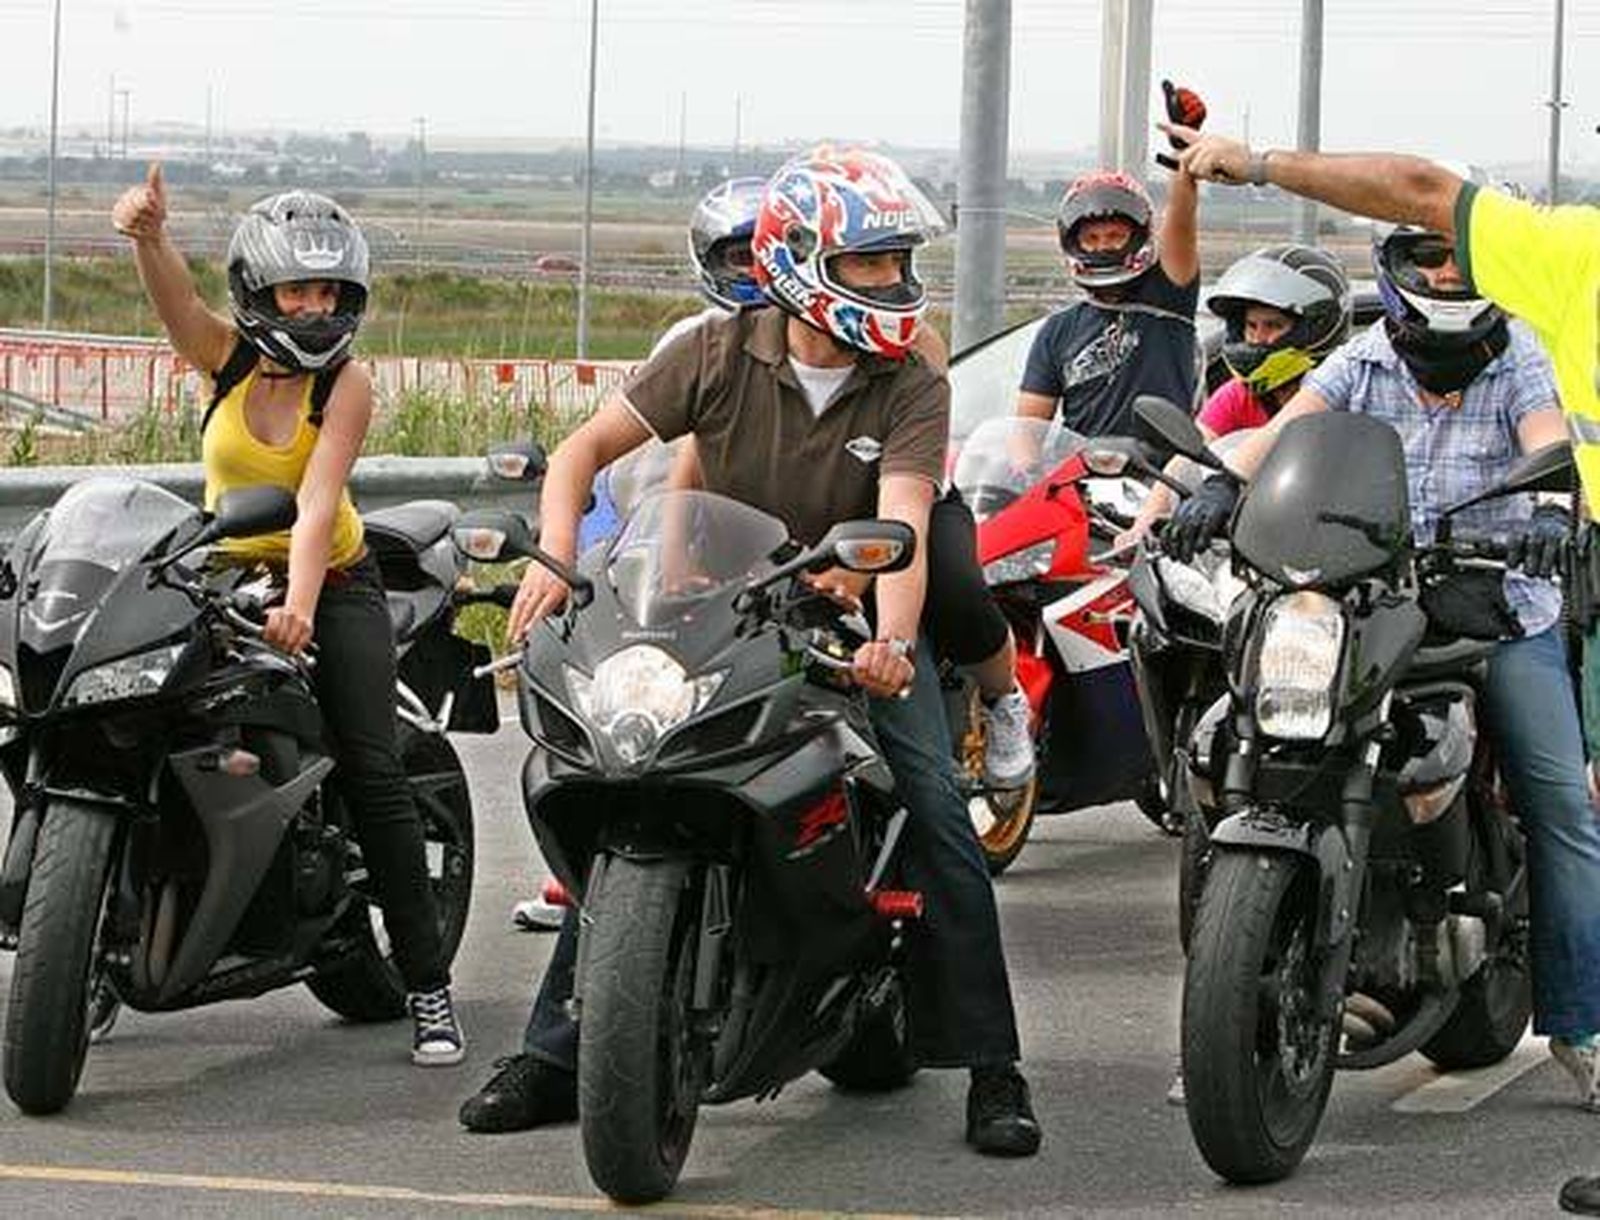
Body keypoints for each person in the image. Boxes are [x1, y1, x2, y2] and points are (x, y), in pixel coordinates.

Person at [459, 146, 1041, 1158]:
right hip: (738, 591)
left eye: (899, 259)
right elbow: (583, 452)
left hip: (851, 593)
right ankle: (557, 1052)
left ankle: (993, 1064)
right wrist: (558, 559)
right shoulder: (714, 351)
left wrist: (892, 642)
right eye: (870, 262)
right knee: (633, 786)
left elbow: (904, 520)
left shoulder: (908, 376)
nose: (893, 280)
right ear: (802, 262)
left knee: (935, 806)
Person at [1162, 216, 1600, 1135]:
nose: (1444, 272)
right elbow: (1283, 434)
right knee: (1230, 746)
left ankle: (1582, 1025)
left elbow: (1547, 436)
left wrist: (1550, 510)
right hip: (1368, 598)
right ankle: (1220, 1024)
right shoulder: (1363, 360)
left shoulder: (1520, 358)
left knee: (1562, 806)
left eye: (1458, 256)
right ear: (1399, 271)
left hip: (1494, 603)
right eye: (1427, 257)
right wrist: (1215, 483)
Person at [110, 167, 465, 1067]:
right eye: (297, 290)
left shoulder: (345, 383)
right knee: (134, 722)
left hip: (334, 581)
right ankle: (101, 940)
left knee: (374, 770)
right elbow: (175, 304)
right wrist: (148, 236)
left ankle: (429, 989)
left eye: (329, 293)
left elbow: (315, 503)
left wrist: (302, 604)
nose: (314, 308)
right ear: (259, 291)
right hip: (224, 570)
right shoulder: (226, 357)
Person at [1119, 242, 1351, 545]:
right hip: (1250, 542)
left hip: (1328, 537)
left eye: (1273, 325)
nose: (1257, 338)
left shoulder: (1344, 395)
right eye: (1251, 326)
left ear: (1316, 328)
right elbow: (1186, 458)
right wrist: (1143, 527)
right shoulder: (1238, 395)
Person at [1015, 166, 1201, 433]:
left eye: (1115, 236)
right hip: (1082, 458)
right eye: (1091, 238)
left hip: (1164, 459)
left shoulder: (1169, 297)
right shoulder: (1056, 330)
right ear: (1074, 243)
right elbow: (1027, 428)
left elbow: (1181, 217)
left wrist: (1182, 168)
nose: (1103, 246)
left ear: (1138, 236)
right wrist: (1023, 459)